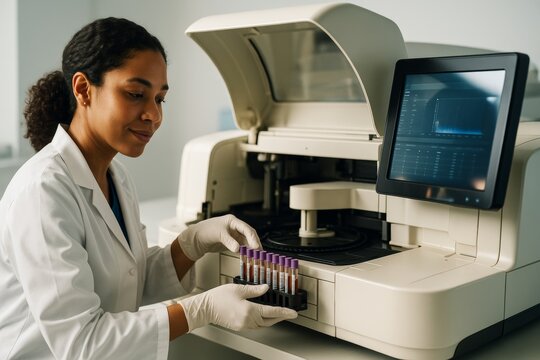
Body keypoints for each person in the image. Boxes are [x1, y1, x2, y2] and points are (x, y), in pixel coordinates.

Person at [0, 17, 296, 359]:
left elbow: (130, 279)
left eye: (160, 99)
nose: (153, 115)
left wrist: (193, 242)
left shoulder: (116, 176)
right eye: (136, 94)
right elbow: (81, 343)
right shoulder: (42, 192)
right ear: (83, 90)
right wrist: (198, 310)